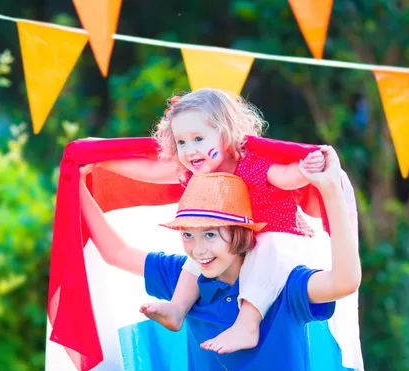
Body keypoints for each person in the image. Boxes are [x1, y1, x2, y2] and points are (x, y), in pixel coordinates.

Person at [78, 146, 361, 371]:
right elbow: (117, 253)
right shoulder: (188, 280)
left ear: (240, 233)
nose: (198, 249)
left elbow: (345, 281)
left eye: (210, 234)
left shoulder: (281, 281)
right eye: (187, 234)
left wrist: (330, 190)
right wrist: (75, 184)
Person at [89, 88, 331, 354]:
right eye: (181, 142)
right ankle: (178, 308)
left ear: (226, 134)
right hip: (233, 241)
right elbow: (151, 170)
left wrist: (306, 169)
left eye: (198, 139)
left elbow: (285, 176)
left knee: (264, 247)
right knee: (200, 246)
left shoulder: (250, 163)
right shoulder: (197, 173)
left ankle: (248, 323)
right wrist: (99, 158)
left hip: (276, 235)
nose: (189, 150)